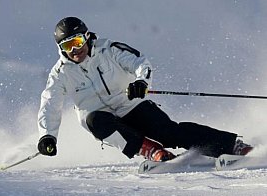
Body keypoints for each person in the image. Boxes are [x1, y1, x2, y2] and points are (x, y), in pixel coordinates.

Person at [37, 16, 253, 162]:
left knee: (169, 132)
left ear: (86, 37)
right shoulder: (60, 73)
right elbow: (50, 104)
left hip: (131, 104)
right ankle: (150, 150)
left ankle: (232, 146)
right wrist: (47, 136)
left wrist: (141, 82)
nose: (75, 50)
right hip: (103, 119)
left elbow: (141, 62)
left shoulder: (108, 49)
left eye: (76, 41)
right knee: (94, 121)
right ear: (60, 49)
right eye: (67, 46)